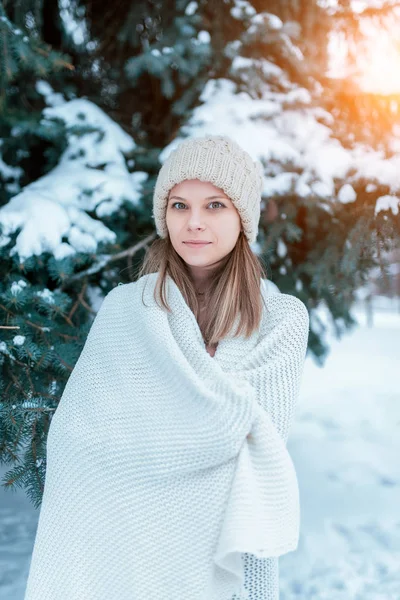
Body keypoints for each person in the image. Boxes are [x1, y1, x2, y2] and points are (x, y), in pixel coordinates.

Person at [24, 134, 309, 600]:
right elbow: (79, 444)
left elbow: (260, 443)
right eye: (179, 205)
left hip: (223, 566)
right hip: (122, 556)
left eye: (215, 205)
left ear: (243, 217)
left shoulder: (281, 319)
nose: (194, 223)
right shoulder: (126, 310)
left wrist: (151, 435)